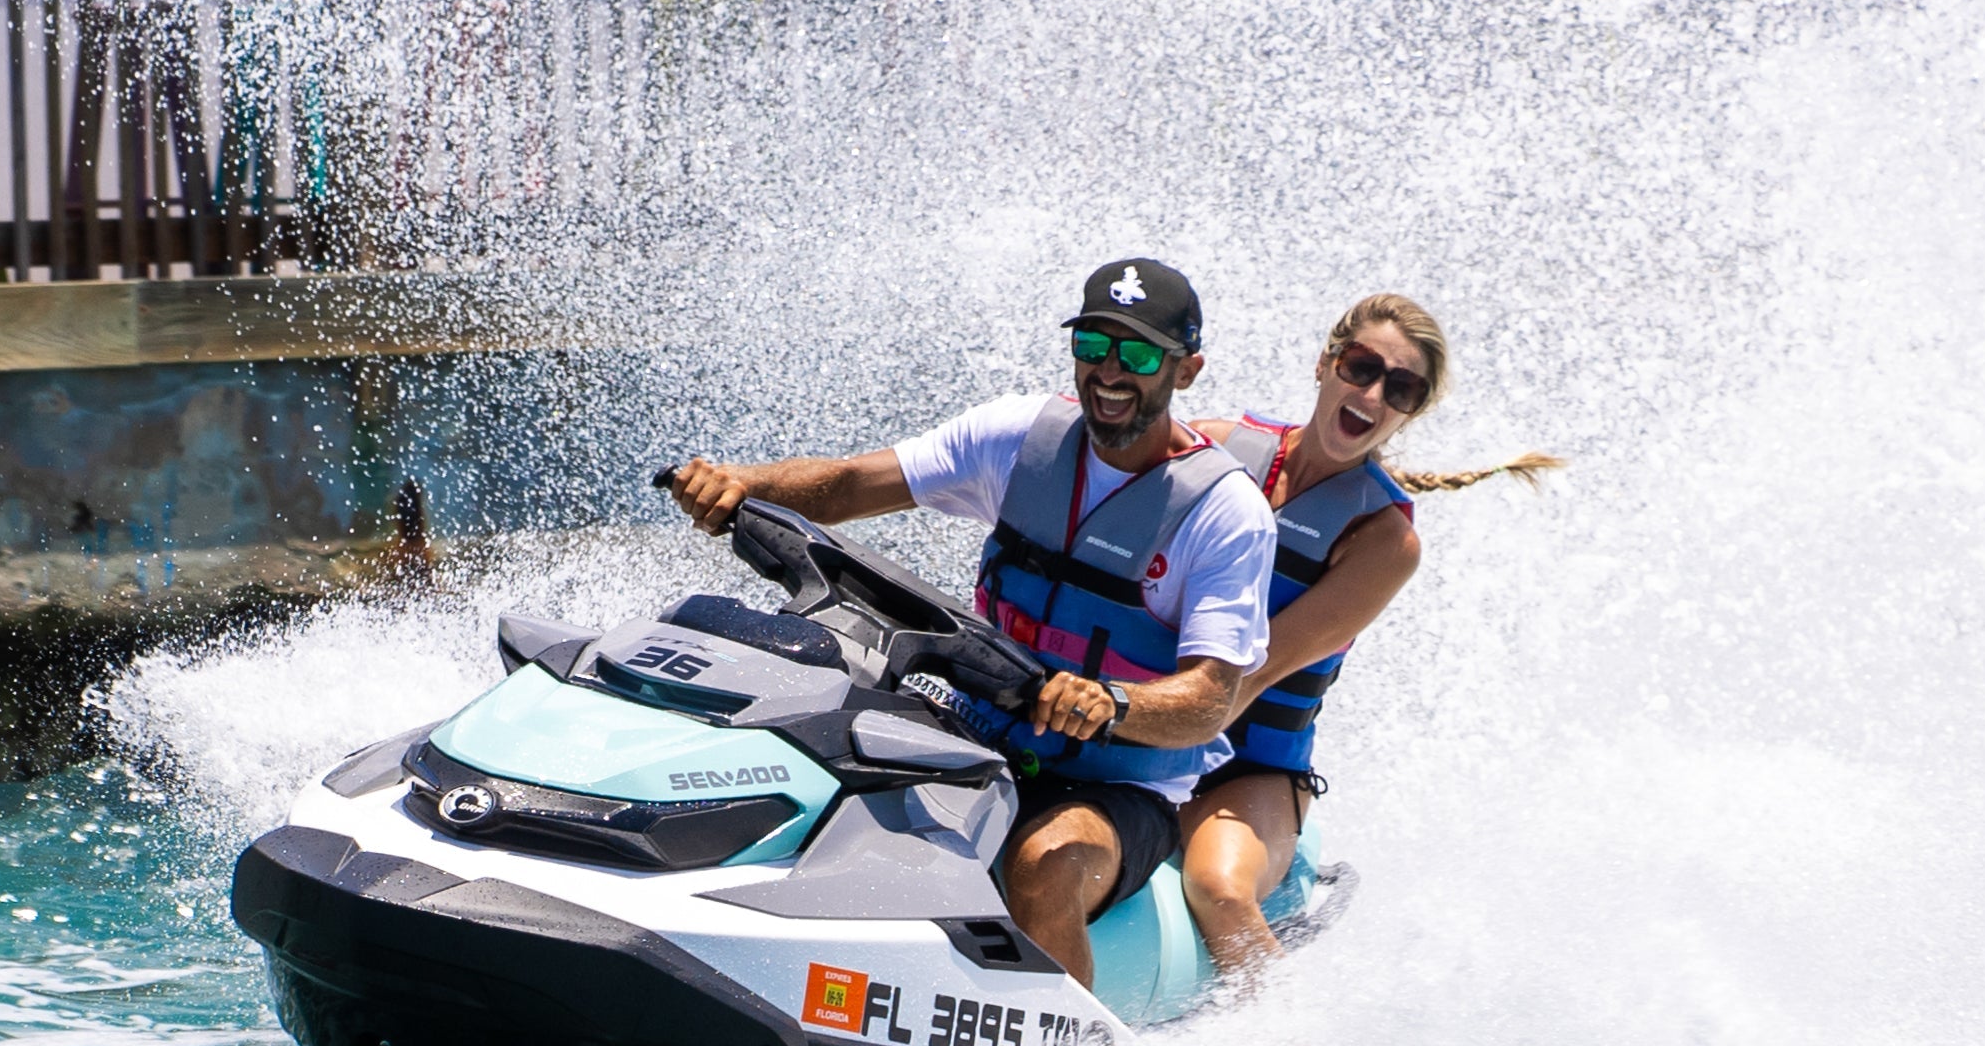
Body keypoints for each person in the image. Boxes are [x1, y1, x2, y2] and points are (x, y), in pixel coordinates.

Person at [665, 256, 1275, 994]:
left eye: (1138, 354)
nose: (1109, 372)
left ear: (1187, 370)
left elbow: (1210, 699)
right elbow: (853, 483)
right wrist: (741, 485)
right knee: (811, 725)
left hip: (1116, 787)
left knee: (1045, 865)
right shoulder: (1020, 438)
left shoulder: (1223, 512)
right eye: (1092, 346)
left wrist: (1110, 702)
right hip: (973, 733)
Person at [1178, 296, 1563, 981]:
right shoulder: (1210, 447)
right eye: (1362, 367)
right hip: (1144, 713)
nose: (1374, 393)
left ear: (1410, 410)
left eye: (1402, 388)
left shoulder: (1385, 540)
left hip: (1250, 765)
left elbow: (1255, 674)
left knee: (1220, 889)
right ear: (1327, 363)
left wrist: (1133, 746)